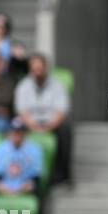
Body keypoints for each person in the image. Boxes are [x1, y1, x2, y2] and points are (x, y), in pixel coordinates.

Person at [14, 53, 71, 185]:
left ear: (46, 68)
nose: (37, 73)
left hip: (52, 122)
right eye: (34, 69)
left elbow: (61, 111)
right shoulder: (23, 86)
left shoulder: (58, 85)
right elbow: (22, 111)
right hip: (30, 122)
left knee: (66, 130)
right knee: (14, 128)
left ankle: (62, 174)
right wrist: (34, 126)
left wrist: (48, 127)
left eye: (40, 69)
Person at [0, 118, 43, 195]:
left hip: (26, 186)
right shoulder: (0, 148)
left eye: (20, 132)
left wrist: (21, 189)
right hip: (4, 186)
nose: (17, 134)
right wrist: (6, 190)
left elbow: (36, 176)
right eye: (14, 131)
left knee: (35, 187)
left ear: (25, 133)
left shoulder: (35, 149)